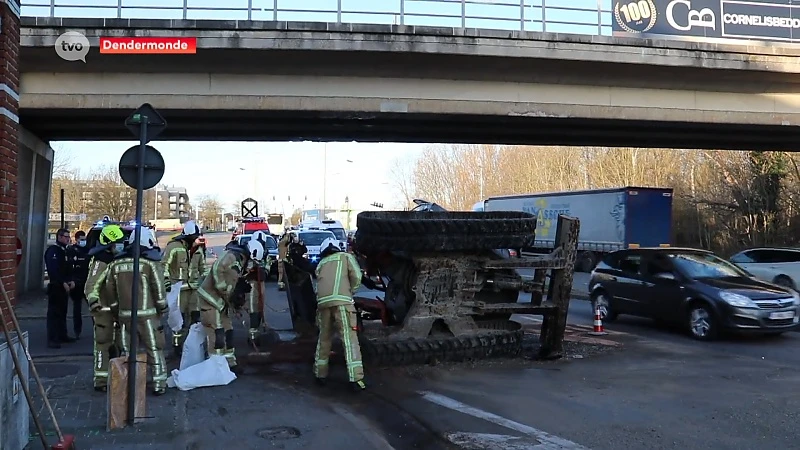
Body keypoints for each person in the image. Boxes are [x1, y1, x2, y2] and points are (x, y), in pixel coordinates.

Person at [104, 227, 169, 395]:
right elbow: (159, 290)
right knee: (154, 350)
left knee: (127, 352)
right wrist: (163, 308)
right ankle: (158, 384)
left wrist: (116, 310)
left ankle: (129, 385)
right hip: (148, 316)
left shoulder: (115, 264)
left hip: (125, 316)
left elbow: (110, 291)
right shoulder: (149, 264)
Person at [313, 238, 366, 391]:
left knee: (324, 339)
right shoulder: (345, 257)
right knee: (349, 339)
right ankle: (356, 379)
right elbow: (356, 276)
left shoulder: (321, 263)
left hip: (323, 304)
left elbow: (319, 284)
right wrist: (350, 292)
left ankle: (320, 374)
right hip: (342, 303)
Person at [197, 240, 253, 372]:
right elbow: (217, 269)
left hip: (221, 302)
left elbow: (232, 284)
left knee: (228, 330)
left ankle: (230, 362)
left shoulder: (238, 263)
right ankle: (215, 366)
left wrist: (237, 302)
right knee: (217, 332)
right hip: (210, 299)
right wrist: (224, 289)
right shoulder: (230, 256)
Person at [84, 224, 126, 391]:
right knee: (103, 344)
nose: (121, 245)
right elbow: (91, 286)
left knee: (118, 345)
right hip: (103, 311)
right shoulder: (100, 261)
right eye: (118, 243)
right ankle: (101, 380)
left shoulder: (117, 259)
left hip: (117, 310)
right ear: (109, 244)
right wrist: (95, 303)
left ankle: (115, 376)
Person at [163, 220, 201, 353]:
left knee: (196, 318)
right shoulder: (173, 247)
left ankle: (193, 345)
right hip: (179, 288)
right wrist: (167, 281)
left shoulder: (198, 249)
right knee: (179, 318)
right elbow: (164, 265)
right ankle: (177, 345)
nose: (196, 239)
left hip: (194, 289)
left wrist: (205, 282)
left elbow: (202, 268)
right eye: (194, 237)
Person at [43, 228, 75, 348]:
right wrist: (62, 282)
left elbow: (68, 268)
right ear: (59, 237)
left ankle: (62, 335)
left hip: (64, 287)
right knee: (54, 313)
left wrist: (71, 280)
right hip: (56, 287)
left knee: (63, 312)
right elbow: (54, 270)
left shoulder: (66, 251)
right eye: (66, 236)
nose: (68, 238)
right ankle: (53, 339)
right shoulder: (54, 251)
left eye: (68, 236)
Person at [243, 239, 267, 347]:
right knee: (252, 310)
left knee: (257, 308)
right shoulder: (241, 258)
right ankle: (252, 336)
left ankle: (255, 333)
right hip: (248, 286)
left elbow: (263, 273)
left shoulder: (258, 255)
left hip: (255, 284)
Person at [68, 230, 90, 339]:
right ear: (76, 240)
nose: (83, 241)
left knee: (93, 307)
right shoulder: (72, 250)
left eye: (84, 239)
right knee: (77, 309)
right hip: (76, 283)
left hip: (87, 282)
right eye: (81, 240)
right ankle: (77, 331)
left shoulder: (88, 250)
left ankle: (98, 329)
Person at [187, 235, 209, 324]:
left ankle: (194, 325)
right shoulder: (182, 249)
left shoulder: (199, 252)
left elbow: (203, 268)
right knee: (181, 309)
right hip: (181, 285)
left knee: (195, 307)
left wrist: (207, 280)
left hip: (194, 284)